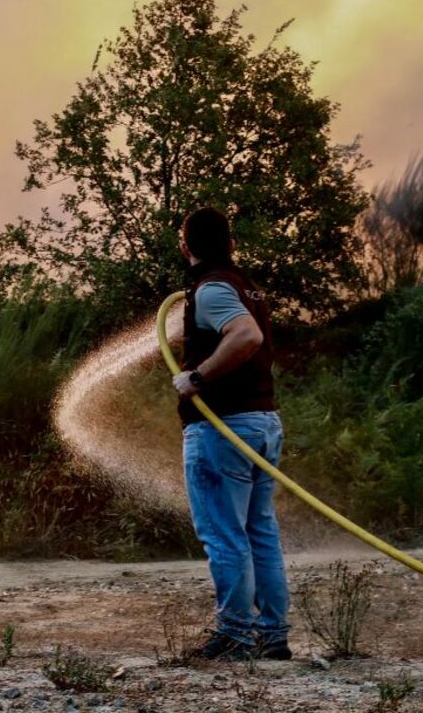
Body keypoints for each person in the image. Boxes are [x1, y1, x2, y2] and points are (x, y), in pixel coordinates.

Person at [171, 207, 290, 661]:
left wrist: (197, 377)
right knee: (259, 531)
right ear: (231, 244)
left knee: (225, 535)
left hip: (224, 429)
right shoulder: (244, 284)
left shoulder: (214, 288)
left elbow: (245, 336)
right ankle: (272, 636)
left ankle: (237, 636)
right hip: (262, 423)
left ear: (186, 246)